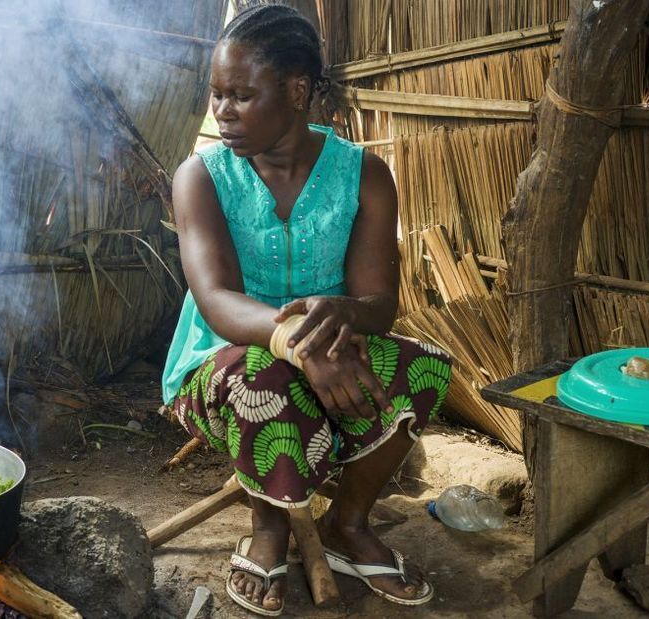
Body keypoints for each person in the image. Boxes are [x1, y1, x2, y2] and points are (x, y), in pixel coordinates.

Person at [160, 5, 452, 616]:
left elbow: (380, 306)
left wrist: (340, 312)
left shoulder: (364, 175)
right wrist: (297, 341)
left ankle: (349, 523)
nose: (222, 112)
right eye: (216, 95)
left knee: (424, 367)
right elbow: (215, 302)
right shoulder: (201, 177)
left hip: (331, 351)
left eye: (242, 95)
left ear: (297, 92)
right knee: (264, 383)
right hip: (221, 360)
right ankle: (268, 527)